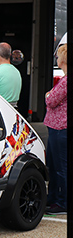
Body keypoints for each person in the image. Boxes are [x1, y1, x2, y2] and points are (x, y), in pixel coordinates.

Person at [43, 44, 67, 214]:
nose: (56, 59)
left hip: (60, 128)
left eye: (58, 56)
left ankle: (61, 202)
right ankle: (53, 198)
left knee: (59, 167)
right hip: (56, 127)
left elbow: (51, 100)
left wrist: (48, 94)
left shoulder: (65, 81)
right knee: (54, 165)